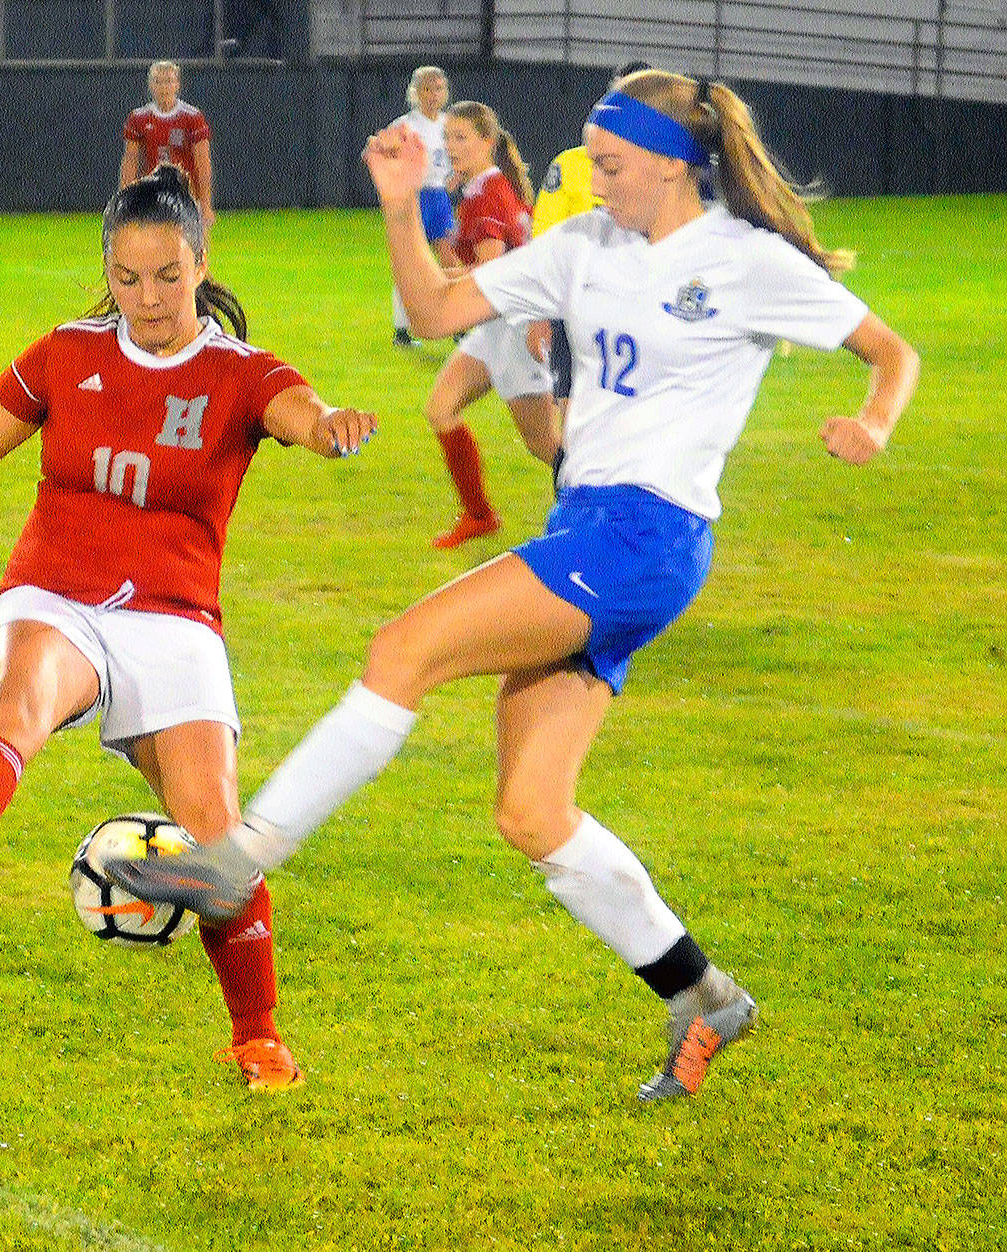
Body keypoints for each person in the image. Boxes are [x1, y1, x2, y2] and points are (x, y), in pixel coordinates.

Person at [106, 70, 920, 1102]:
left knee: (401, 648)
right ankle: (702, 995)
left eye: (611, 163)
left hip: (645, 537)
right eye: (587, 160)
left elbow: (888, 352)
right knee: (533, 812)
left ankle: (234, 859)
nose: (592, 179)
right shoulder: (584, 247)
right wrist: (402, 207)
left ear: (672, 162)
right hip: (584, 526)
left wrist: (873, 421)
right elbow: (435, 306)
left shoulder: (742, 261)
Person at [0, 166, 376, 1093]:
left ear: (200, 263)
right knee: (23, 697)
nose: (147, 299)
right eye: (126, 278)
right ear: (106, 274)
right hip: (56, 592)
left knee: (215, 838)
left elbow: (301, 413)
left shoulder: (240, 373)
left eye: (165, 275)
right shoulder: (66, 354)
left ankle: (258, 1035)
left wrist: (331, 427)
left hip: (175, 618)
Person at [421, 100, 556, 549]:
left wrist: (433, 284)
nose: (451, 146)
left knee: (547, 446)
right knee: (441, 408)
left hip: (516, 326)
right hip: (496, 324)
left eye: (462, 137)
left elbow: (490, 272)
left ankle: (604, 513)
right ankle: (479, 515)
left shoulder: (490, 194)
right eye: (448, 137)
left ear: (487, 142)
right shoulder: (479, 189)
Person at [527, 62, 651, 417]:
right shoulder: (570, 165)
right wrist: (541, 312)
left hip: (638, 309)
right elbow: (545, 240)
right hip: (576, 306)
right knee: (567, 417)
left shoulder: (664, 167)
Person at [389, 66, 454, 348]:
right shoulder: (406, 125)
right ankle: (402, 329)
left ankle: (455, 322)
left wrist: (456, 177)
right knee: (410, 261)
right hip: (414, 199)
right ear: (415, 93)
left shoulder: (449, 124)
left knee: (450, 259)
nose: (433, 95)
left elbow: (457, 157)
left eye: (438, 88)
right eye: (427, 89)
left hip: (439, 197)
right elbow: (386, 156)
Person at [120, 61, 214, 230]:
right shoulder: (138, 118)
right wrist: (125, 200)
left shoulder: (192, 117)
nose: (164, 87)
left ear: (177, 84)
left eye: (168, 81)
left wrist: (205, 205)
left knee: (192, 249)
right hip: (153, 194)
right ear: (150, 85)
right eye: (158, 81)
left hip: (185, 195)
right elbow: (131, 161)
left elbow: (203, 162)